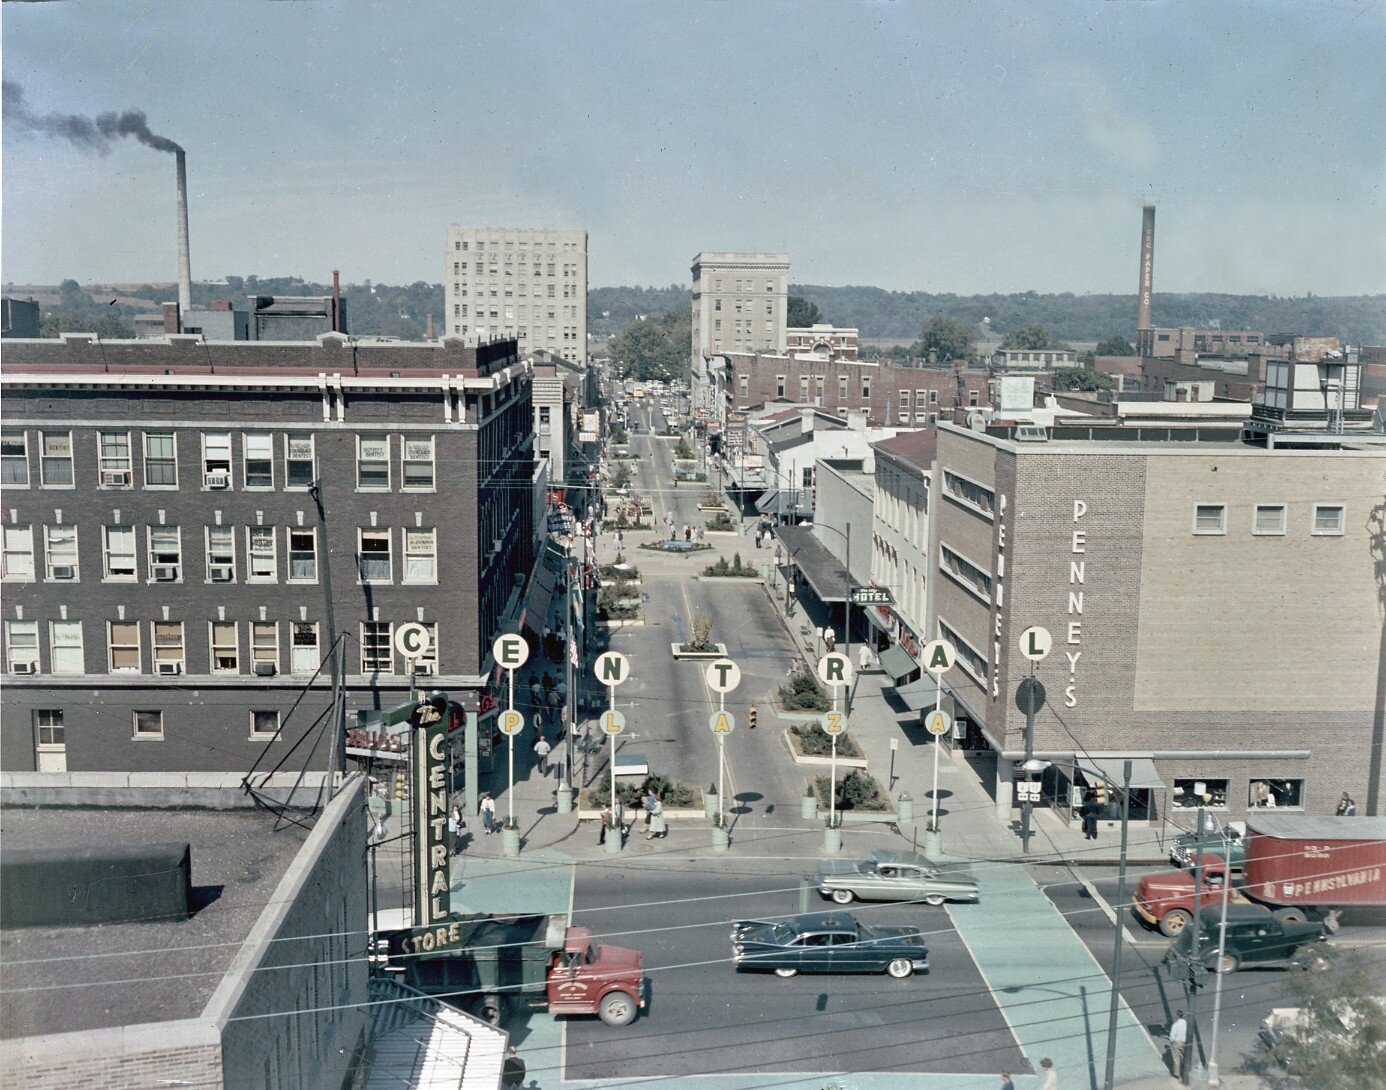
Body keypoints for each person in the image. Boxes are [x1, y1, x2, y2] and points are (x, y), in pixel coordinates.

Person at [1167, 1011, 1187, 1076]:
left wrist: (1171, 1042)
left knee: (1176, 1059)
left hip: (1177, 1043)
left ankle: (1177, 1074)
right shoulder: (1185, 1023)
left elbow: (1172, 1036)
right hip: (1184, 1042)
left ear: (1177, 1016)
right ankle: (1184, 1071)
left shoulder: (1175, 1025)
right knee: (1183, 1056)